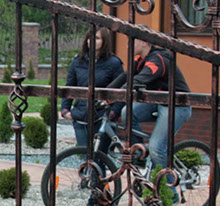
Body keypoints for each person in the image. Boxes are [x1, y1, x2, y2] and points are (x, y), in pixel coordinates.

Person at [106, 38, 190, 169]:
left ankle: (165, 182)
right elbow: (126, 76)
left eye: (132, 41)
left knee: (156, 147)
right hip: (158, 101)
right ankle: (140, 154)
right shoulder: (141, 60)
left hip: (177, 106)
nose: (128, 45)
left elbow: (140, 79)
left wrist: (118, 95)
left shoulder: (158, 60)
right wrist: (105, 93)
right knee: (127, 112)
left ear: (145, 42)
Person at [59, 27, 124, 148]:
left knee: (100, 156)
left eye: (97, 38)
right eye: (90, 37)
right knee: (85, 155)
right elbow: (70, 86)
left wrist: (113, 113)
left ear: (104, 41)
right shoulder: (78, 61)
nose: (92, 40)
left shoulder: (114, 63)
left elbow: (121, 91)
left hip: (103, 117)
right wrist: (65, 110)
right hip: (80, 116)